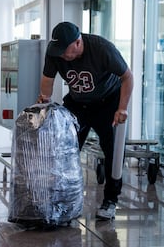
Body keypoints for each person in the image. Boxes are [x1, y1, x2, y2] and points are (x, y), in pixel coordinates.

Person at [37, 21, 134, 220]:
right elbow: (48, 79)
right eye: (59, 51)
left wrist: (122, 108)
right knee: (65, 147)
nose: (63, 56)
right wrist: (44, 99)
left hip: (108, 103)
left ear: (78, 42)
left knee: (112, 151)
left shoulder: (102, 49)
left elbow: (127, 77)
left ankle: (111, 200)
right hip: (78, 102)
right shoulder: (55, 52)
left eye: (66, 51)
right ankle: (63, 198)